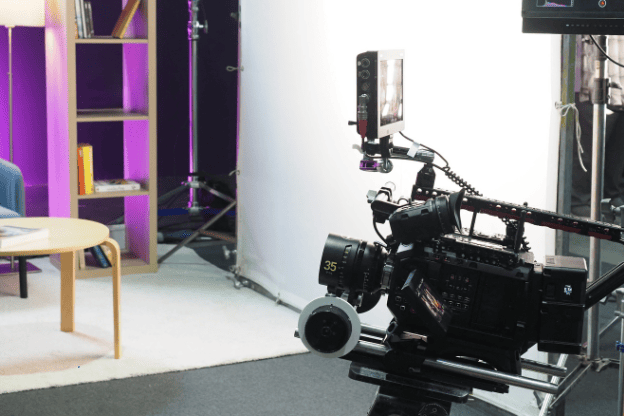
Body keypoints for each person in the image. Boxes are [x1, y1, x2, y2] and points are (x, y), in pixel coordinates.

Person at [571, 35, 624, 217]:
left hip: (621, 85)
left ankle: (613, 196)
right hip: (596, 83)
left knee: (618, 151)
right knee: (589, 148)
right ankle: (580, 201)